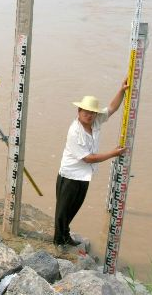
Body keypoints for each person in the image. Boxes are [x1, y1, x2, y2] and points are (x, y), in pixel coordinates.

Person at [54, 79, 128, 249]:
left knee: (74, 208)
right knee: (63, 211)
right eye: (86, 112)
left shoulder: (95, 121)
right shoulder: (74, 131)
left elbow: (111, 108)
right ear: (79, 111)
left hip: (84, 175)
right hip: (70, 175)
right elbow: (88, 158)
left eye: (92, 112)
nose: (89, 115)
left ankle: (65, 235)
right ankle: (59, 241)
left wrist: (122, 90)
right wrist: (113, 153)